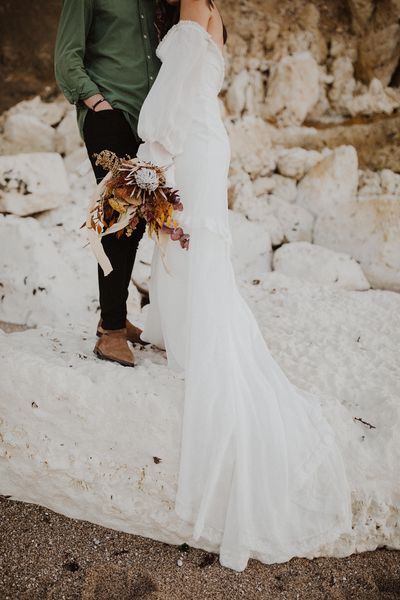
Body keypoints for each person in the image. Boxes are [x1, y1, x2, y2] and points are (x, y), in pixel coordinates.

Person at [89, 0, 354, 572]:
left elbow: (178, 82)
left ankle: (196, 341)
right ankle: (179, 328)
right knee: (192, 246)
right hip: (207, 135)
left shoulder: (191, 4)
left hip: (187, 140)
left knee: (190, 246)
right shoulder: (212, 8)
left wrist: (152, 149)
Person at [54, 0, 166, 367]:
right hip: (110, 114)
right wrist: (97, 102)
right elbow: (66, 55)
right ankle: (112, 333)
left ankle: (112, 315)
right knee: (118, 218)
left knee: (136, 222)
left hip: (150, 123)